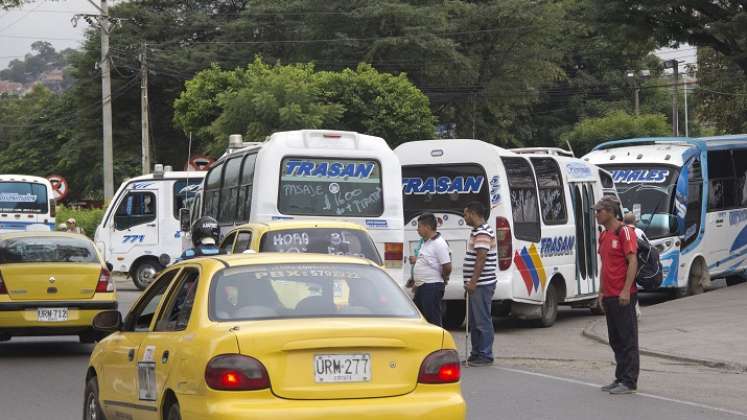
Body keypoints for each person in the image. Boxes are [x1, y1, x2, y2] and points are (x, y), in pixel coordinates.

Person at [595, 196, 640, 395]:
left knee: (628, 338)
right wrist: (601, 291)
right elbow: (605, 265)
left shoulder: (625, 232)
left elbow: (633, 262)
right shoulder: (604, 235)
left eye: (599, 211)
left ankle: (629, 382)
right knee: (615, 339)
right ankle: (620, 377)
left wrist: (625, 290)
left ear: (611, 212)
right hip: (609, 295)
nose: (596, 214)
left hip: (623, 295)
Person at [463, 201, 497, 367]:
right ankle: (476, 353)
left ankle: (485, 354)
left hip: (481, 284)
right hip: (477, 284)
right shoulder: (477, 231)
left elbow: (481, 258)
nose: (464, 217)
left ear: (472, 213)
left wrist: (473, 281)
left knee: (482, 320)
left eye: (465, 214)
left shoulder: (483, 232)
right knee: (475, 321)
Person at [411, 213, 452, 327]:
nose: (417, 230)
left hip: (432, 287)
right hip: (422, 286)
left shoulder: (439, 243)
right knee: (419, 319)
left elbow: (447, 266)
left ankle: (439, 344)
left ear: (427, 227)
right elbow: (424, 261)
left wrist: (444, 277)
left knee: (433, 320)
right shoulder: (426, 242)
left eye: (419, 226)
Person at [623, 212, 645, 319]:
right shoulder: (639, 231)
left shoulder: (623, 232)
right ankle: (636, 311)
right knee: (633, 288)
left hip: (627, 266)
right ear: (635, 221)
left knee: (630, 288)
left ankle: (634, 311)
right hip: (638, 265)